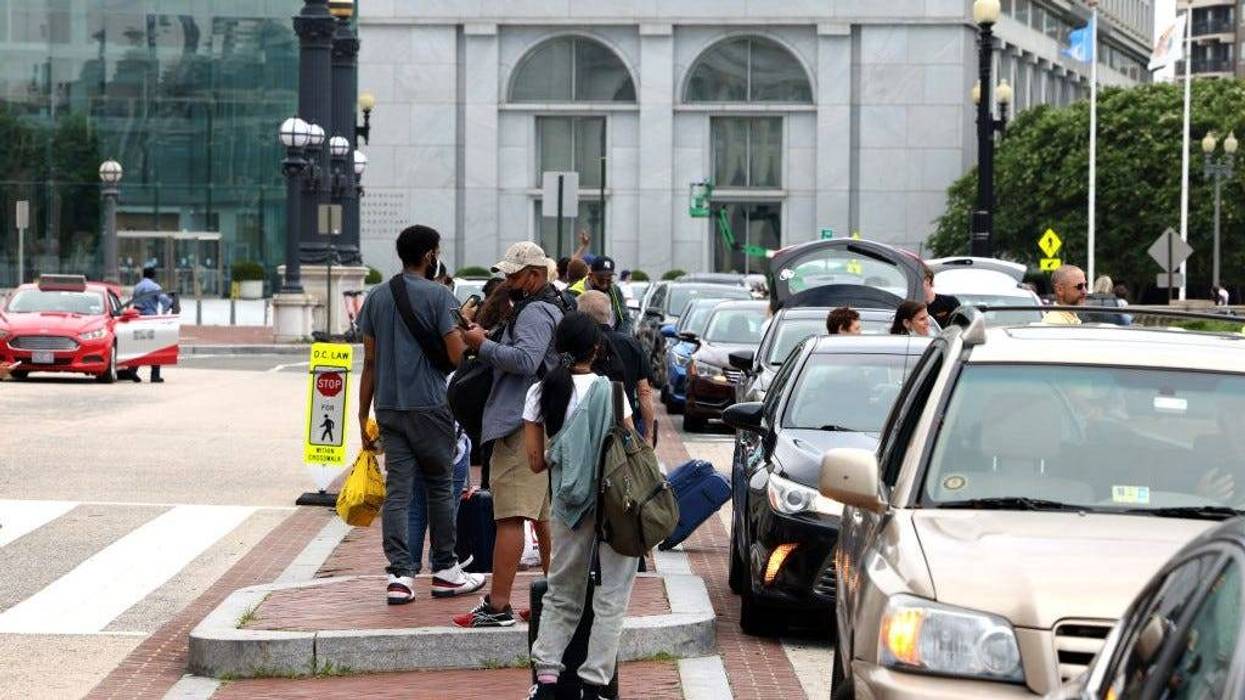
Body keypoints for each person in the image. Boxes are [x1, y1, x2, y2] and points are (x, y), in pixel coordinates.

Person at [357, 224, 485, 605]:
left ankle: (400, 575)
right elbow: (455, 356)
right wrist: (465, 328)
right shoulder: (439, 295)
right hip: (429, 407)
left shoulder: (377, 297)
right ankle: (445, 569)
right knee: (440, 487)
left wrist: (363, 418)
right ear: (430, 255)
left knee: (398, 492)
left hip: (390, 409)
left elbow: (369, 362)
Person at [523, 312, 636, 700]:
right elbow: (631, 449)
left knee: (562, 592)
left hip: (569, 506)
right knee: (612, 597)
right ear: (597, 348)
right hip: (615, 508)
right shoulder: (614, 392)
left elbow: (535, 462)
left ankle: (548, 678)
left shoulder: (540, 392)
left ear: (558, 347)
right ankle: (596, 684)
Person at [456, 242, 564, 628]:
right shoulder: (546, 306)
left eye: (514, 275)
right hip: (536, 421)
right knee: (542, 517)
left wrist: (481, 345)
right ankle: (552, 600)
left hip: (520, 425)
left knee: (510, 517)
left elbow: (525, 360)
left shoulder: (534, 312)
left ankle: (499, 605)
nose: (508, 281)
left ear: (534, 275)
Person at [579, 290, 657, 445]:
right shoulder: (630, 344)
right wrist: (649, 435)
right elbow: (644, 391)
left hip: (585, 429)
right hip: (624, 428)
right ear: (610, 315)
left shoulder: (579, 344)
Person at [569, 257, 631, 334]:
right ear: (590, 276)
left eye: (609, 280)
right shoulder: (573, 293)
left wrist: (620, 338)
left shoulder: (615, 290)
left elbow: (625, 318)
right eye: (601, 280)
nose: (604, 285)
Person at [132, 266, 172, 383]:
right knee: (155, 346)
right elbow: (164, 301)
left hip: (137, 318)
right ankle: (155, 375)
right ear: (153, 275)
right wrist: (171, 303)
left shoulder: (137, 287)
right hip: (150, 319)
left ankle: (132, 369)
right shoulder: (154, 286)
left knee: (140, 345)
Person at [921, 263, 961, 328]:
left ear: (928, 280)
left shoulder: (950, 302)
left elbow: (959, 327)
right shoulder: (913, 306)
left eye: (918, 281)